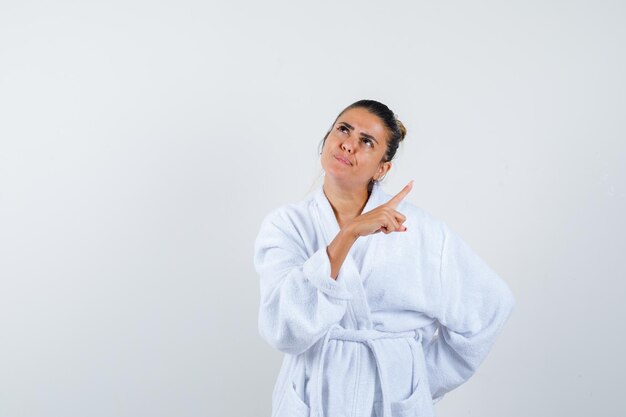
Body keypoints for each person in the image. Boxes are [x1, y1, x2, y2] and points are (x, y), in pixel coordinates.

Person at [253, 99, 515, 417]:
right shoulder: (286, 226)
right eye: (343, 129)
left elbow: (490, 306)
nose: (349, 144)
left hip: (391, 400)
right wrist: (348, 235)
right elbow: (284, 329)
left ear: (382, 168)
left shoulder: (420, 230)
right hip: (313, 397)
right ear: (326, 139)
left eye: (367, 141)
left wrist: (415, 377)